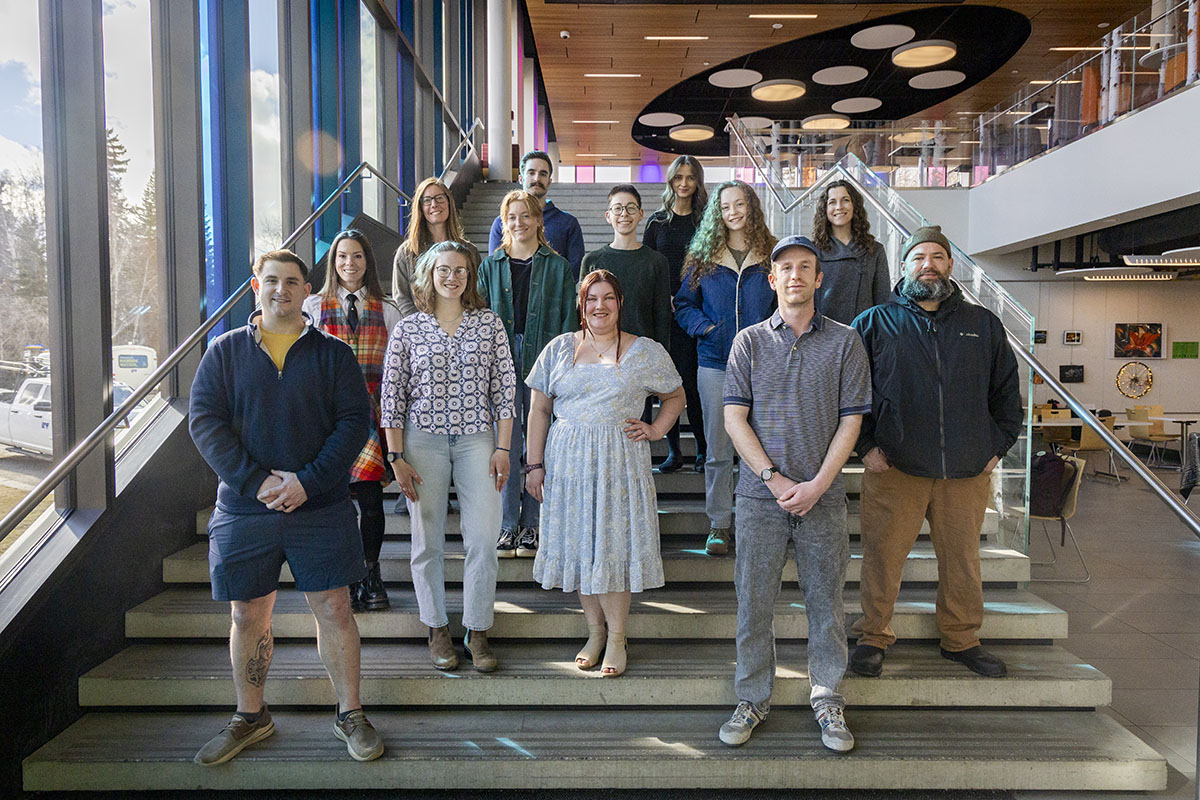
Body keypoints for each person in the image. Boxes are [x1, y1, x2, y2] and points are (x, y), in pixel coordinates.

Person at [189, 250, 383, 765]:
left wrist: (308, 482)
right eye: (271, 280)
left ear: (306, 291)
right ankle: (251, 717)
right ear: (257, 286)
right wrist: (257, 483)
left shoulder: (334, 355)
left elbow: (353, 423)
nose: (281, 290)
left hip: (320, 507)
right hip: (245, 510)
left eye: (292, 281)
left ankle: (350, 713)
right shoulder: (225, 352)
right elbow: (204, 422)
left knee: (335, 608)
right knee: (247, 612)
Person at [718, 235, 871, 753]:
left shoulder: (846, 341)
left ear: (819, 278)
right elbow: (733, 419)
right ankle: (753, 696)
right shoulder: (749, 342)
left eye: (806, 267)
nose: (796, 275)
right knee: (753, 603)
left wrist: (819, 484)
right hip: (761, 499)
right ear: (773, 279)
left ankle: (827, 696)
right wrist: (774, 480)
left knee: (826, 604)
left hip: (824, 497)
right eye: (786, 268)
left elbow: (852, 422)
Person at [849, 225, 1022, 680]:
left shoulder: (982, 324)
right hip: (895, 466)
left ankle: (962, 639)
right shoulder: (872, 323)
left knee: (962, 559)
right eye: (918, 257)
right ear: (903, 267)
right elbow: (846, 393)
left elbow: (1006, 394)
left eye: (937, 257)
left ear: (950, 265)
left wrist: (997, 447)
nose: (928, 264)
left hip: (966, 470)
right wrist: (865, 447)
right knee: (883, 556)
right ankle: (872, 635)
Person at [525, 270, 684, 677]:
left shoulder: (644, 351)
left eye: (608, 298)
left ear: (620, 304)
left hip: (619, 465)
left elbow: (675, 395)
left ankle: (617, 638)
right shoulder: (559, 349)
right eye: (592, 298)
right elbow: (539, 410)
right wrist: (534, 464)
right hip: (568, 465)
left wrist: (656, 429)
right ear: (582, 304)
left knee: (612, 548)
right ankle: (595, 632)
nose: (600, 306)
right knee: (581, 547)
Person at [380, 241, 516, 672]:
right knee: (427, 539)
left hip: (478, 440)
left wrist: (503, 446)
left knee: (482, 538)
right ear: (429, 275)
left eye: (460, 270)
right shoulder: (408, 329)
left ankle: (477, 629)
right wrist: (395, 455)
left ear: (469, 276)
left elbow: (505, 393)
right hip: (422, 442)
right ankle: (437, 627)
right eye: (444, 270)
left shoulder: (489, 325)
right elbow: (392, 395)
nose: (452, 277)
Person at [673, 180, 777, 557]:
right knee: (718, 450)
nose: (732, 211)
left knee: (761, 448)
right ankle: (719, 524)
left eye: (739, 204)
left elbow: (786, 303)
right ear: (717, 214)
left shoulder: (770, 253)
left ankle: (760, 519)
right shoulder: (703, 258)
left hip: (763, 364)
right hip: (714, 363)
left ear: (751, 206)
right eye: (725, 206)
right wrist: (707, 329)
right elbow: (683, 305)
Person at [303, 230, 402, 613]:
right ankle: (342, 575)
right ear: (333, 262)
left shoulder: (387, 308)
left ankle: (369, 572)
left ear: (368, 261)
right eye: (342, 256)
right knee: (333, 500)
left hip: (370, 415)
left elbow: (396, 371)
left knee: (371, 500)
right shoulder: (312, 307)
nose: (349, 263)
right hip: (326, 416)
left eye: (357, 256)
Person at [478, 190, 577, 559]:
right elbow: (479, 320)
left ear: (538, 220)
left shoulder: (557, 266)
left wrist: (564, 368)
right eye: (511, 217)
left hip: (544, 358)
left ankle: (533, 525)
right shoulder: (490, 266)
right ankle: (507, 525)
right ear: (504, 223)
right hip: (501, 359)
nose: (518, 223)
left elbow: (569, 322)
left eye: (525, 216)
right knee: (505, 444)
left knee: (538, 445)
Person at [644, 155, 709, 474]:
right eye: (678, 177)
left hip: (694, 312)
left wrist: (686, 299)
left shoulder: (705, 221)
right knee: (664, 384)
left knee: (693, 385)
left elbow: (710, 266)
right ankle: (674, 452)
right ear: (670, 181)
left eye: (690, 177)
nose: (684, 183)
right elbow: (647, 263)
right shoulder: (657, 222)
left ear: (697, 182)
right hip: (661, 313)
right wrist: (662, 299)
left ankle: (702, 447)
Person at [580, 185, 671, 349]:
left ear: (640, 214)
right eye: (617, 208)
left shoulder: (656, 262)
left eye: (631, 208)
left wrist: (661, 355)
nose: (624, 214)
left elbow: (662, 317)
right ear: (608, 216)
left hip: (643, 353)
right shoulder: (592, 261)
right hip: (600, 352)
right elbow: (582, 313)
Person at [487, 150, 585, 279]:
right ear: (521, 178)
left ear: (549, 181)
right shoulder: (502, 222)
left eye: (543, 174)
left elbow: (575, 269)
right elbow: (495, 268)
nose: (537, 178)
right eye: (531, 172)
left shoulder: (568, 223)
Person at [810, 180, 891, 325]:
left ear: (855, 206)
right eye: (832, 202)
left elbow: (882, 303)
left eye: (845, 200)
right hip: (822, 334)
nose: (839, 207)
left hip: (863, 334)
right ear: (825, 209)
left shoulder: (875, 250)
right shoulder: (813, 251)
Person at [392, 177, 473, 317]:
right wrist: (421, 326)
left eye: (439, 198)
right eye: (427, 200)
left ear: (449, 202)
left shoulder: (469, 250)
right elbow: (401, 298)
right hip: (419, 331)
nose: (434, 204)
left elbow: (474, 292)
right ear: (420, 208)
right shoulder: (407, 252)